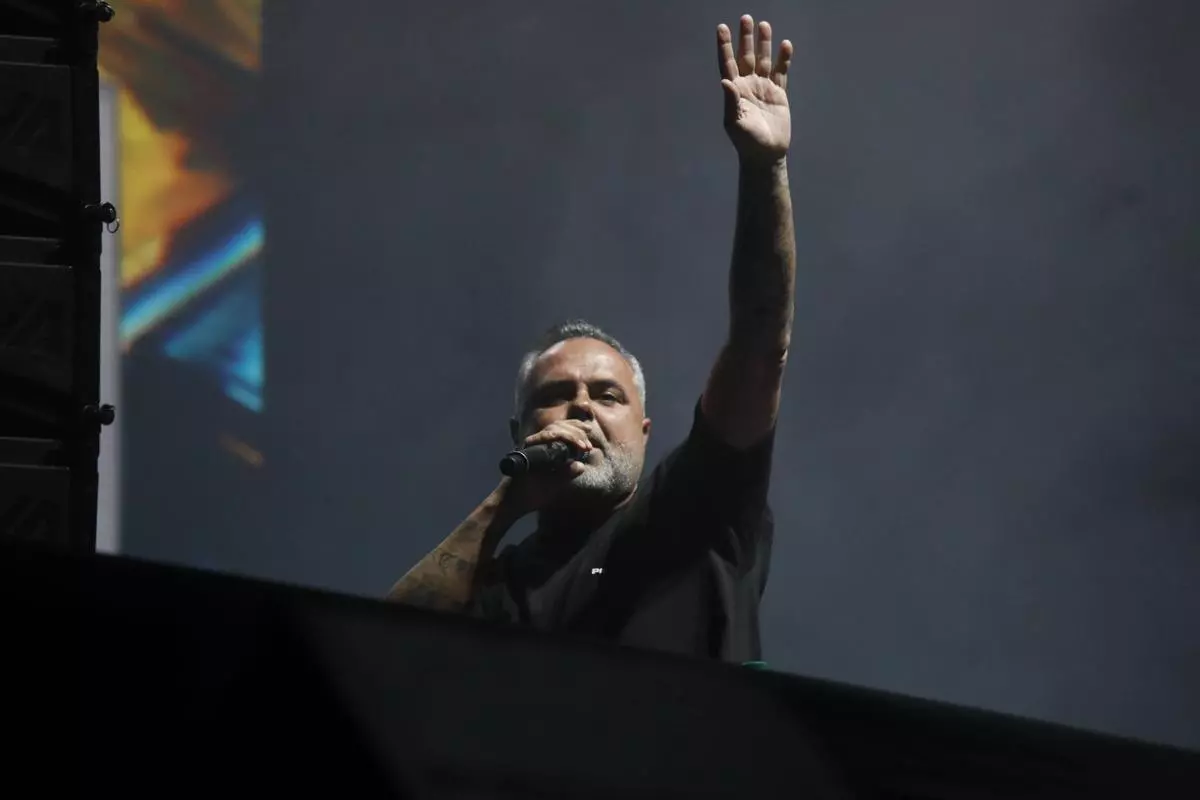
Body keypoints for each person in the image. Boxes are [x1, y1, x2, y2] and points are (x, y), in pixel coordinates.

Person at [388, 15, 796, 663]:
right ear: (521, 433)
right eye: (555, 395)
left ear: (645, 429)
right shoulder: (500, 583)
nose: (581, 406)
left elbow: (759, 339)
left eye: (608, 395)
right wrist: (504, 506)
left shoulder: (693, 508)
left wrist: (764, 166)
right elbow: (378, 652)